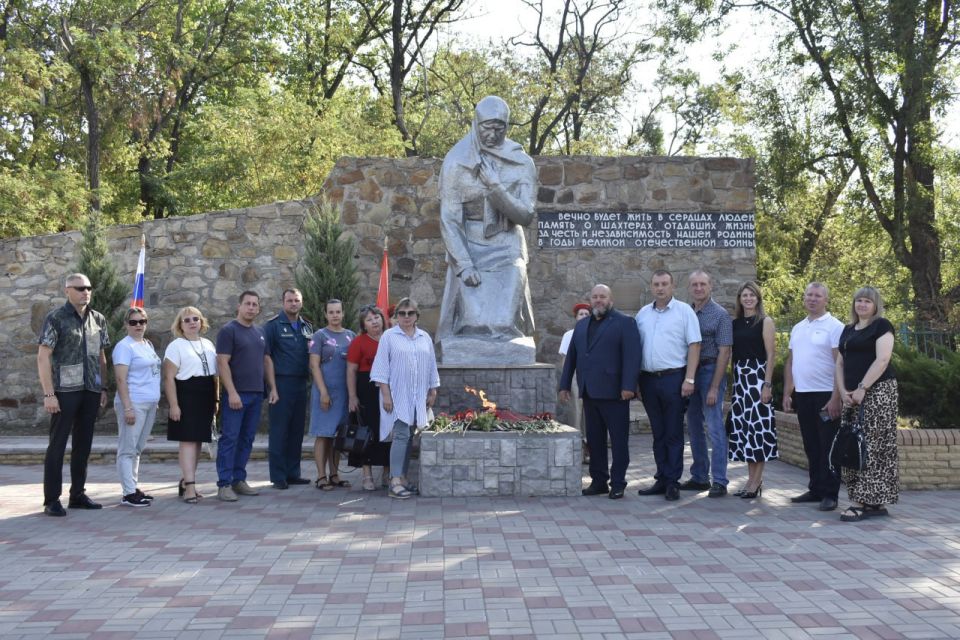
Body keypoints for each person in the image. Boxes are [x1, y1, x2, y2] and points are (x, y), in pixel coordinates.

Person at [436, 95, 537, 348]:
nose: (492, 134)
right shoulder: (456, 162)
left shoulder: (522, 162)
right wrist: (465, 264)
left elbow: (525, 215)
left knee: (504, 323)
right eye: (486, 127)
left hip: (507, 244)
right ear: (476, 124)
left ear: (507, 127)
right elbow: (450, 219)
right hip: (470, 246)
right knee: (474, 324)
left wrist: (496, 187)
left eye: (499, 128)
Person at [558, 285, 641, 499]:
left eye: (602, 296)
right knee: (595, 440)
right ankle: (599, 480)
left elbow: (632, 358)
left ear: (610, 299)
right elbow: (572, 358)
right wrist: (565, 384)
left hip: (615, 393)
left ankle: (618, 482)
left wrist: (628, 387)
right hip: (589, 392)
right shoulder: (582, 325)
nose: (598, 300)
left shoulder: (625, 323)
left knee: (619, 440)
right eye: (594, 297)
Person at [37, 273, 110, 516]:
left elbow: (101, 357)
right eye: (79, 288)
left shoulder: (97, 319)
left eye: (88, 287)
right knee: (57, 445)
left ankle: (77, 494)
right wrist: (49, 394)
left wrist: (103, 387)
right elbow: (43, 356)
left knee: (83, 445)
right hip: (64, 391)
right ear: (67, 290)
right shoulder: (56, 318)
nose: (85, 292)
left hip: (90, 391)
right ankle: (51, 500)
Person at [635, 269, 702, 502]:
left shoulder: (684, 312)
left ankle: (673, 481)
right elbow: (636, 349)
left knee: (673, 432)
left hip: (675, 378)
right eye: (656, 284)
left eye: (664, 284)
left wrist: (690, 379)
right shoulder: (642, 314)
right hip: (648, 379)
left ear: (673, 287)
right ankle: (661, 478)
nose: (660, 288)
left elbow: (695, 345)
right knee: (658, 432)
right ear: (651, 287)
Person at [835, 286, 899, 522]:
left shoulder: (881, 326)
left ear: (875, 305)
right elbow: (840, 363)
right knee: (853, 444)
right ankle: (871, 502)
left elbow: (883, 360)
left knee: (872, 445)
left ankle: (860, 503)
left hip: (879, 391)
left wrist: (863, 388)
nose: (862, 305)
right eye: (859, 300)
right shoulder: (848, 329)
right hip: (851, 395)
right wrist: (843, 391)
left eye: (867, 301)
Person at [370, 298, 440, 500]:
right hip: (397, 395)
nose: (406, 317)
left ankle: (403, 477)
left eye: (410, 313)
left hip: (418, 396)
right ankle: (394, 481)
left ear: (417, 315)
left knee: (409, 436)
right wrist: (386, 395)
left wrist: (433, 390)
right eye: (402, 313)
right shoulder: (389, 337)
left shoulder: (424, 337)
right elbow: (381, 368)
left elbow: (431, 365)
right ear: (396, 316)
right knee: (400, 435)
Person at [783, 282, 844, 512]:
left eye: (817, 296)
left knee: (827, 446)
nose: (812, 299)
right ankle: (816, 488)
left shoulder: (834, 326)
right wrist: (789, 392)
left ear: (826, 300)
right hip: (804, 394)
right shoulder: (798, 327)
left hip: (826, 396)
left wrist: (836, 397)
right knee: (811, 445)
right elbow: (791, 361)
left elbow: (840, 363)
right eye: (809, 295)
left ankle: (830, 494)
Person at [215, 291, 278, 502]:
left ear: (258, 308)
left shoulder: (260, 332)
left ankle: (238, 480)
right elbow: (222, 363)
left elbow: (266, 361)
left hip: (256, 394)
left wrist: (273, 389)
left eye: (255, 305)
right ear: (239, 306)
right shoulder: (228, 331)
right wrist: (231, 392)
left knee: (247, 439)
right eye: (247, 304)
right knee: (230, 439)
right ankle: (224, 484)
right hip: (236, 395)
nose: (251, 307)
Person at [683, 270, 734, 497]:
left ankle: (720, 480)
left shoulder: (720, 315)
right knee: (693, 425)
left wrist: (714, 386)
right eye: (694, 285)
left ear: (710, 286)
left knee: (714, 427)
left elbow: (725, 352)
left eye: (702, 284)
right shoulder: (685, 312)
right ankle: (700, 477)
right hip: (689, 372)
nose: (698, 288)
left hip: (711, 370)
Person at [163, 306, 219, 504]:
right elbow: (169, 378)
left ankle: (187, 481)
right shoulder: (176, 346)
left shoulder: (208, 344)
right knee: (187, 441)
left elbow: (215, 375)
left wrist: (216, 401)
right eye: (187, 320)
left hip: (205, 394)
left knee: (197, 442)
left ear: (201, 321)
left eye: (195, 318)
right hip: (186, 394)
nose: (192, 322)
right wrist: (174, 405)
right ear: (180, 325)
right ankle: (190, 487)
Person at [727, 281, 778, 499]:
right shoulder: (735, 323)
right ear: (739, 299)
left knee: (759, 432)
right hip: (741, 382)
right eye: (744, 295)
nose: (748, 299)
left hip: (758, 380)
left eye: (752, 295)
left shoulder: (765, 322)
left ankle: (756, 482)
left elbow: (771, 355)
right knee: (746, 433)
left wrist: (767, 384)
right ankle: (750, 481)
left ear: (758, 298)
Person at [263, 288, 314, 490]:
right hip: (281, 384)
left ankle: (293, 473)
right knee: (279, 431)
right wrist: (272, 388)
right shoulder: (273, 326)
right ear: (283, 302)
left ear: (301, 302)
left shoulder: (306, 326)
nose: (293, 303)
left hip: (301, 384)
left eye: (297, 300)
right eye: (290, 300)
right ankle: (278, 475)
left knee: (296, 431)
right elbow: (266, 358)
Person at [112, 307, 161, 507]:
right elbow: (120, 380)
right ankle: (128, 493)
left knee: (138, 449)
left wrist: (154, 401)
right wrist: (128, 408)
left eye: (142, 321)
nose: (138, 325)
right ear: (126, 324)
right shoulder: (124, 347)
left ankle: (133, 486)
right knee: (127, 449)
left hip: (149, 403)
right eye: (133, 322)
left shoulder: (146, 344)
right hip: (133, 403)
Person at [308, 299, 355, 490]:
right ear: (326, 314)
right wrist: (323, 392)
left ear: (343, 313)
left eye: (338, 312)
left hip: (344, 393)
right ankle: (321, 476)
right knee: (323, 434)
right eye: (331, 312)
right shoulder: (318, 336)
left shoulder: (351, 336)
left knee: (337, 436)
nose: (335, 315)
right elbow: (314, 365)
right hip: (325, 392)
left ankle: (334, 474)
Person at [346, 305, 391, 491]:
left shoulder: (391, 338)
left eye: (377, 317)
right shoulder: (359, 342)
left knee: (389, 432)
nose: (375, 322)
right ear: (364, 325)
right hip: (367, 389)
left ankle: (388, 474)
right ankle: (367, 475)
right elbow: (351, 370)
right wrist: (352, 396)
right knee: (368, 432)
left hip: (388, 390)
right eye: (370, 319)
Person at [559, 302, 592, 462]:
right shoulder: (569, 335)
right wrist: (565, 383)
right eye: (581, 314)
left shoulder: (594, 332)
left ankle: (590, 449)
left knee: (590, 414)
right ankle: (577, 449)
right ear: (576, 317)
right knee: (576, 412)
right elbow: (566, 361)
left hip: (592, 376)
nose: (584, 317)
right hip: (575, 377)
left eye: (587, 314)